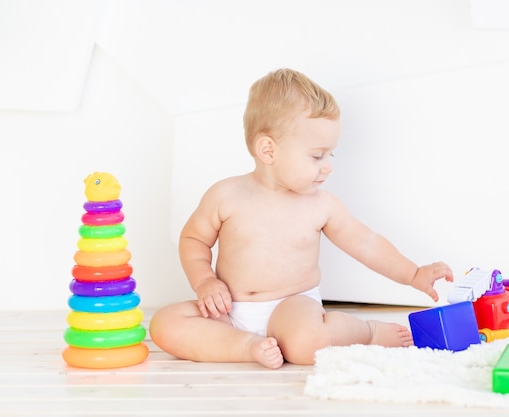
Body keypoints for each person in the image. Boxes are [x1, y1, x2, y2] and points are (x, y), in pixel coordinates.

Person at [149, 68, 454, 369]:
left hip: (291, 307)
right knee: (165, 324)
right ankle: (245, 346)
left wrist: (413, 274)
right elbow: (194, 239)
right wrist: (205, 282)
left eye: (329, 155)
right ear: (268, 150)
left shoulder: (321, 205)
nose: (327, 167)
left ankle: (368, 331)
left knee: (307, 344)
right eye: (317, 155)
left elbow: (367, 244)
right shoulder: (225, 195)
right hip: (228, 310)